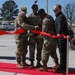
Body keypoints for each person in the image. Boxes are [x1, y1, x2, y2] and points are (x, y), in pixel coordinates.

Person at [53, 4, 69, 73]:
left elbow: (60, 25)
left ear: (59, 9)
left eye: (55, 10)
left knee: (62, 53)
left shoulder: (60, 17)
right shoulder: (58, 16)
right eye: (53, 10)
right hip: (61, 37)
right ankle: (63, 66)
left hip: (62, 37)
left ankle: (62, 68)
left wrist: (59, 33)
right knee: (62, 53)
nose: (54, 11)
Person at [28, 4, 43, 68]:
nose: (35, 10)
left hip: (39, 35)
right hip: (32, 35)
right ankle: (31, 62)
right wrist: (33, 28)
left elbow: (43, 24)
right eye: (34, 9)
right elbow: (27, 26)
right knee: (31, 49)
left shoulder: (40, 16)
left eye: (36, 9)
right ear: (32, 9)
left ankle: (38, 62)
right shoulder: (30, 16)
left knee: (39, 49)